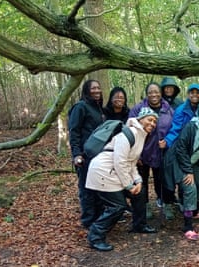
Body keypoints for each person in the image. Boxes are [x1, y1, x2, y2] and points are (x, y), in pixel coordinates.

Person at [86, 108, 159, 251]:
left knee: (140, 192)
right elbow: (119, 161)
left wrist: (138, 181)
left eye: (155, 121)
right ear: (140, 119)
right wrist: (128, 185)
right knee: (117, 206)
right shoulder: (128, 133)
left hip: (114, 173)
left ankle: (139, 225)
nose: (152, 123)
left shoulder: (141, 135)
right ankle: (95, 236)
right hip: (103, 172)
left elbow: (131, 163)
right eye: (149, 119)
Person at [163, 104, 199, 240]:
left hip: (190, 162)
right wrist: (188, 171)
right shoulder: (191, 127)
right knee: (190, 187)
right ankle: (188, 226)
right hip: (177, 161)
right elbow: (181, 148)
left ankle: (192, 210)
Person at [129, 82, 174, 220]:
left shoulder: (168, 109)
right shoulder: (138, 109)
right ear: (147, 94)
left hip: (162, 151)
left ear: (161, 93)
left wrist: (167, 141)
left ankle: (167, 204)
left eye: (156, 92)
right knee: (141, 180)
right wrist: (136, 153)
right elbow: (131, 128)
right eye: (150, 92)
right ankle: (145, 206)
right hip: (142, 152)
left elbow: (174, 128)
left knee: (163, 180)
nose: (154, 95)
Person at [68, 79, 105, 229]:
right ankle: (89, 221)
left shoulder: (99, 109)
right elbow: (74, 132)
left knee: (99, 186)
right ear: (87, 90)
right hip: (84, 155)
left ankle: (99, 218)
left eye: (98, 88)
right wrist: (76, 154)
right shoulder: (80, 107)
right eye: (93, 88)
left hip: (99, 155)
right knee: (86, 188)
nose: (96, 90)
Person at [165, 83, 199, 149]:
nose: (195, 95)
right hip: (185, 142)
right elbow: (176, 128)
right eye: (192, 93)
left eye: (197, 93)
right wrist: (167, 141)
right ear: (188, 95)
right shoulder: (180, 110)